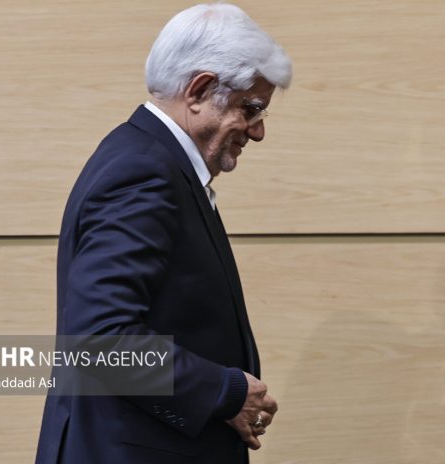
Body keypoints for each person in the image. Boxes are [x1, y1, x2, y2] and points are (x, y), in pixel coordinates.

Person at [35, 3, 292, 463]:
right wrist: (224, 392)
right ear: (199, 90)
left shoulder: (152, 161)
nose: (257, 132)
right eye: (251, 108)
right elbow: (101, 340)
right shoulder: (144, 173)